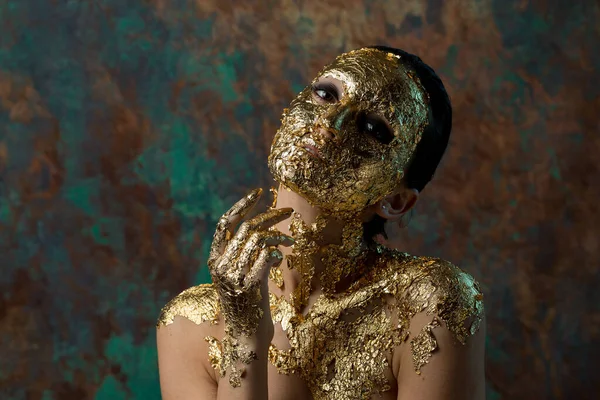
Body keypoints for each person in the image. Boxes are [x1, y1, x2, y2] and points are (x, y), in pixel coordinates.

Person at [156, 46, 485, 400]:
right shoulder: (188, 324)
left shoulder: (427, 304)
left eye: (373, 128)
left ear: (395, 200)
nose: (330, 123)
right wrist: (244, 337)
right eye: (326, 94)